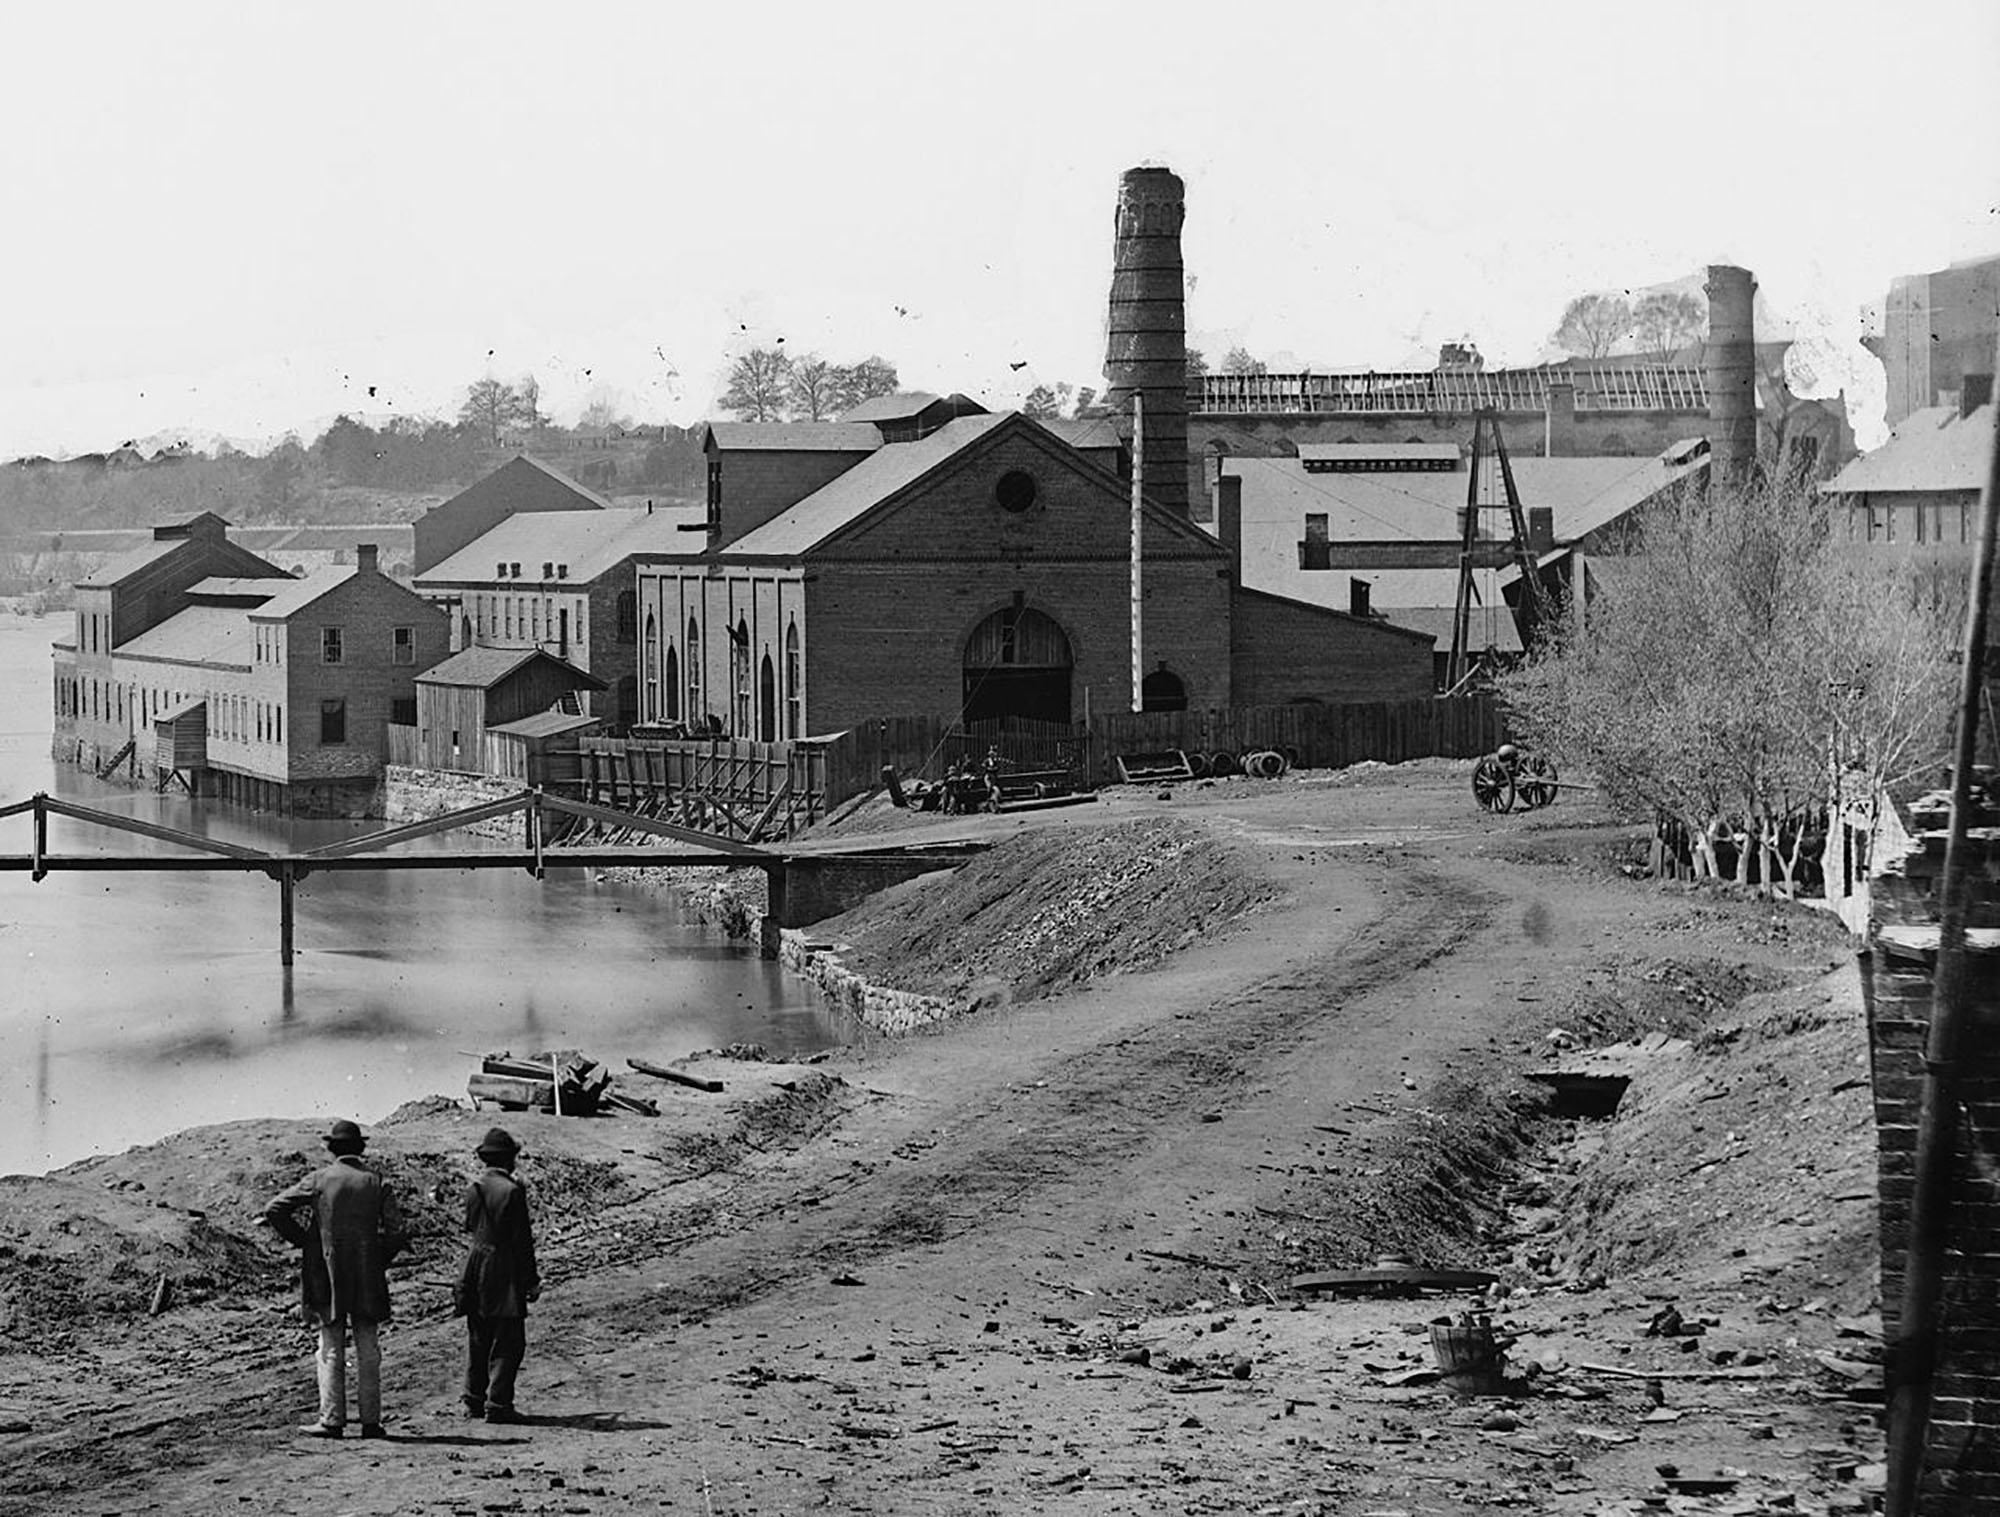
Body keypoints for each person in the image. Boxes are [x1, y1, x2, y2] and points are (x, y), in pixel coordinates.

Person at [262, 1119, 407, 1440]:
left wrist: (305, 1242)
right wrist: (377, 1259)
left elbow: (274, 1209)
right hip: (367, 1275)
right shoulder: (376, 1182)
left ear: (331, 1149)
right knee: (369, 1347)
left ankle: (332, 1420)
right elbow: (397, 1232)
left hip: (328, 1274)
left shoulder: (319, 1179)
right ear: (360, 1149)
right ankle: (372, 1422)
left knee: (330, 1345)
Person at [455, 1127, 540, 1424]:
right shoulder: (513, 1191)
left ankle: (473, 1400)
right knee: (509, 1339)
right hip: (503, 1268)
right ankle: (499, 1404)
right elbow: (522, 1242)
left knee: (478, 1335)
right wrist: (531, 1281)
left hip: (475, 1265)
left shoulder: (474, 1188)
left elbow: (470, 1227)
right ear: (509, 1159)